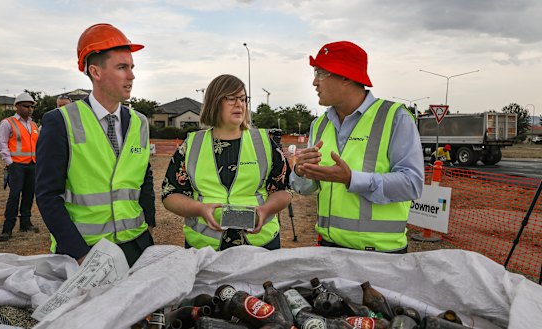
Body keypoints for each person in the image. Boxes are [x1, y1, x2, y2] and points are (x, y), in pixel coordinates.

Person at [35, 23, 155, 266]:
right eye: (122, 67)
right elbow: (48, 195)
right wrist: (79, 253)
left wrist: (149, 224)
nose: (132, 75)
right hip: (84, 248)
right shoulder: (61, 122)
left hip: (137, 244)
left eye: (132, 67)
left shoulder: (139, 122)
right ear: (96, 72)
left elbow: (145, 176)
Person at [291, 41, 424, 254]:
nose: (314, 82)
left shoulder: (394, 118)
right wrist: (300, 172)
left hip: (380, 255)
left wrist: (351, 179)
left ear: (346, 76)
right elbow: (307, 188)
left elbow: (412, 184)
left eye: (320, 73)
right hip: (328, 249)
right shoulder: (319, 125)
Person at [161, 74, 292, 251]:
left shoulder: (266, 143)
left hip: (260, 245)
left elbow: (284, 189)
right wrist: (199, 209)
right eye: (231, 98)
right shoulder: (191, 146)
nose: (239, 104)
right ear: (214, 102)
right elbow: (170, 194)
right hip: (205, 248)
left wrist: (265, 210)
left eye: (243, 99)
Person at [0, 92, 40, 242]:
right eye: (26, 106)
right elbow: (2, 144)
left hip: (32, 164)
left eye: (31, 106)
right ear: (17, 106)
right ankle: (7, 229)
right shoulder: (8, 123)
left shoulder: (34, 125)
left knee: (29, 194)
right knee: (14, 195)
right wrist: (10, 163)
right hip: (17, 165)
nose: (29, 109)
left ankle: (25, 223)